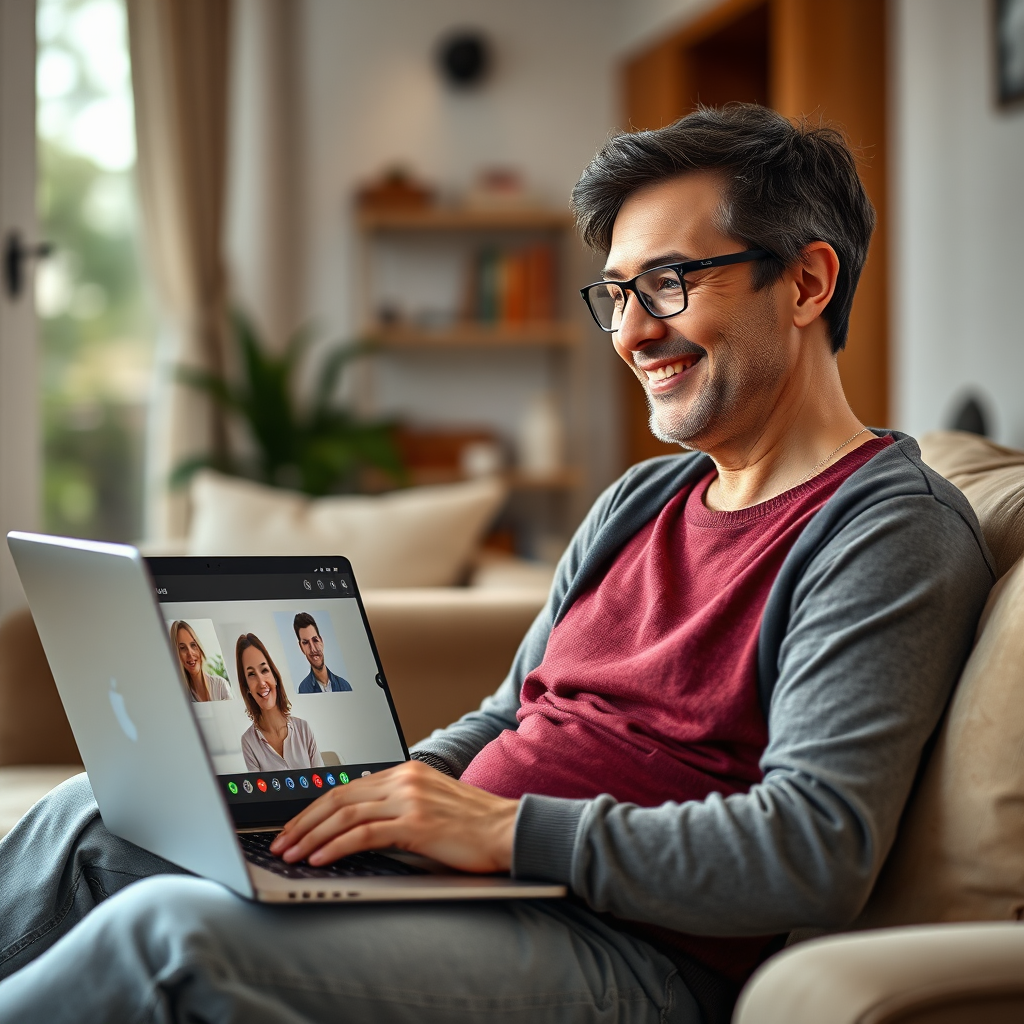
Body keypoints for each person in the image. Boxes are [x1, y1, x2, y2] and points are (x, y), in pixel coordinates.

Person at [0, 105, 995, 1023]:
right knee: (95, 813)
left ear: (808, 283)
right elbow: (511, 709)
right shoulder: (642, 499)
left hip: (627, 952)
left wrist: (505, 831)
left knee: (170, 936)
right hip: (469, 889)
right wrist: (377, 794)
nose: (632, 332)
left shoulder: (881, 528)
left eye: (666, 284)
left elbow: (811, 845)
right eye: (614, 294)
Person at [236, 633, 323, 772]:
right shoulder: (248, 742)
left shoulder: (303, 729)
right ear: (246, 687)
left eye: (264, 670)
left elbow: (323, 784)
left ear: (275, 677)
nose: (261, 682)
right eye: (251, 674)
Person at [170, 620, 232, 702]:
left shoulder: (220, 685)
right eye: (182, 648)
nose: (190, 653)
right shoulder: (178, 697)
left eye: (193, 645)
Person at [292, 611, 352, 693]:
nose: (313, 649)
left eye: (315, 640)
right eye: (306, 643)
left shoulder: (343, 685)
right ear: (301, 647)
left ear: (321, 641)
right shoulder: (304, 689)